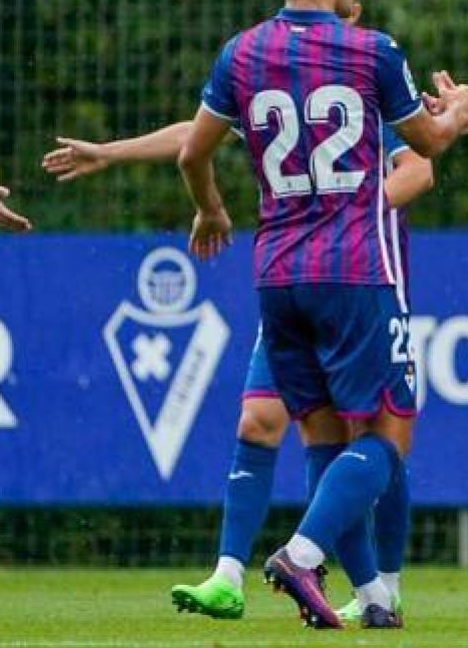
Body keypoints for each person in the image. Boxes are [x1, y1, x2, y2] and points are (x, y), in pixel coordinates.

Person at [178, 0, 468, 629]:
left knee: (320, 434)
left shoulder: (242, 52)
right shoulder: (371, 50)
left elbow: (193, 155)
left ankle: (373, 599)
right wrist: (464, 110)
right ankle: (303, 554)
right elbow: (430, 143)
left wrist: (211, 212)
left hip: (275, 275)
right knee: (384, 435)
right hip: (352, 268)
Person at [42, 98, 431, 623]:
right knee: (264, 421)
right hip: (293, 286)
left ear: (350, 9)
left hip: (362, 288)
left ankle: (380, 585)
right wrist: (112, 153)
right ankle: (237, 577)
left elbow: (419, 168)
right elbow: (202, 132)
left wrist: (345, 218)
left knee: (376, 436)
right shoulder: (280, 83)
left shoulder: (366, 84)